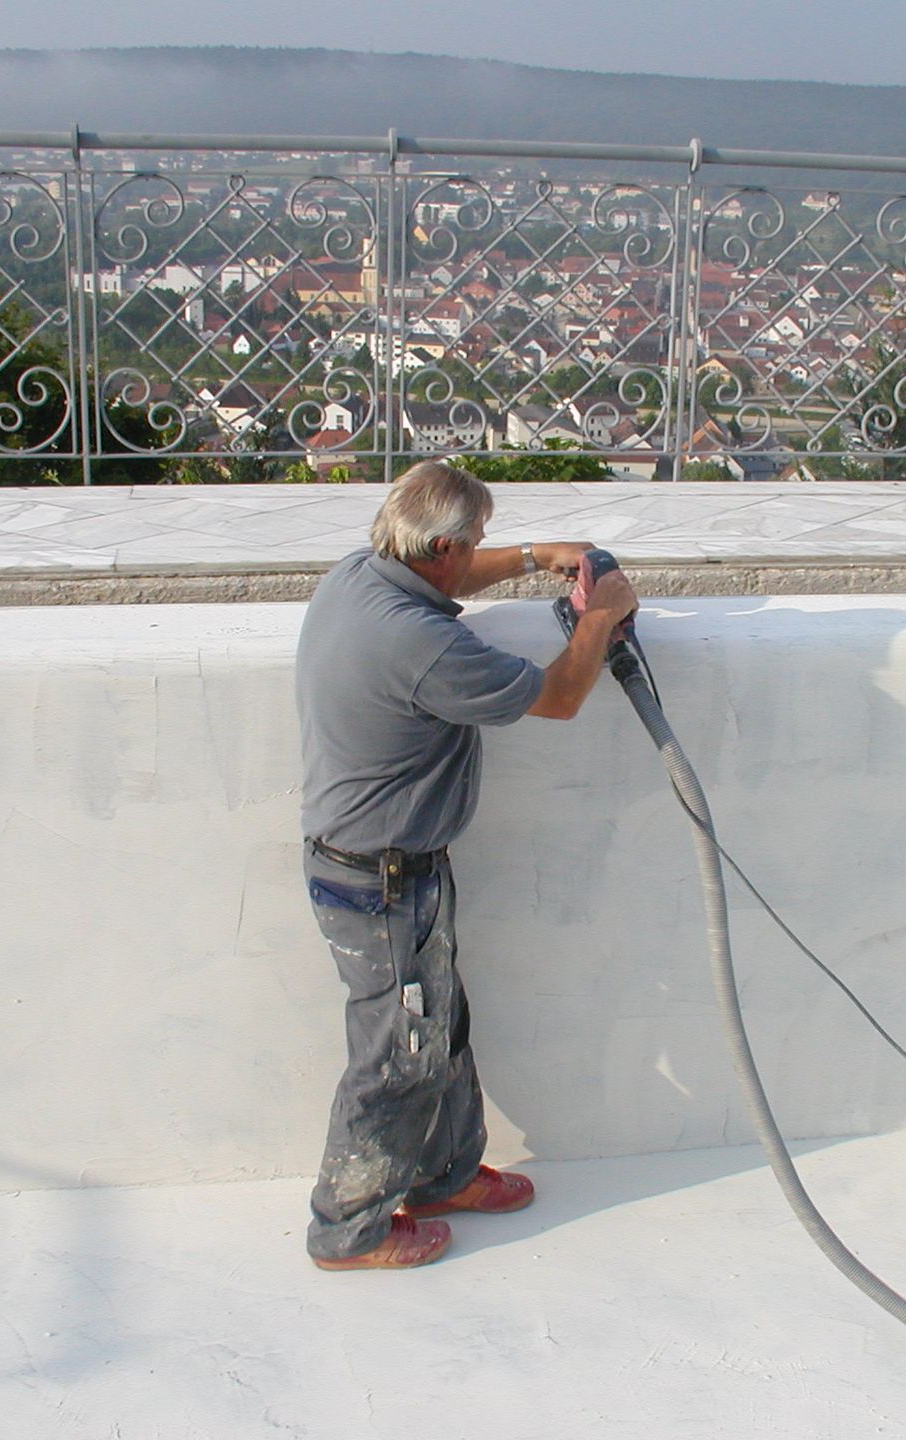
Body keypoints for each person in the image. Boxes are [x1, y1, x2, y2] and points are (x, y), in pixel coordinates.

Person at [296, 459, 639, 1271]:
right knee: (396, 1056)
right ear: (442, 547)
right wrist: (601, 617)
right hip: (380, 881)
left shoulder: (360, 576)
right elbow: (559, 696)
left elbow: (453, 568)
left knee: (438, 1028)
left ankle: (442, 1176)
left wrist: (534, 557)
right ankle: (346, 1231)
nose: (482, 549)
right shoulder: (421, 644)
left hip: (395, 866)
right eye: (477, 540)